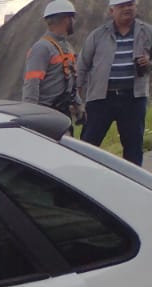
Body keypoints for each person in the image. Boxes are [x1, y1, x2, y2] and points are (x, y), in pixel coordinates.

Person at [77, 0, 152, 166]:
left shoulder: (147, 32)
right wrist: (76, 97)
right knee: (88, 145)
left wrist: (148, 64)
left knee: (133, 149)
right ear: (112, 11)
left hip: (133, 98)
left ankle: (131, 181)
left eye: (130, 4)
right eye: (121, 6)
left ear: (136, 6)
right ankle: (79, 178)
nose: (127, 8)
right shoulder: (98, 35)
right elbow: (82, 66)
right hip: (101, 98)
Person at [23, 1, 81, 128]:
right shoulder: (42, 48)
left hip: (63, 113)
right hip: (46, 113)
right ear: (65, 19)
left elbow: (72, 79)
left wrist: (78, 105)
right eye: (72, 18)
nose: (74, 22)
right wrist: (30, 115)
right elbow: (32, 84)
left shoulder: (67, 47)